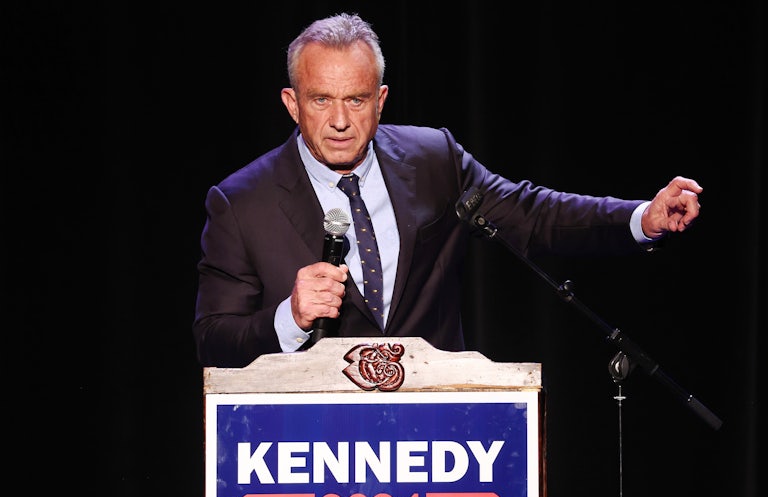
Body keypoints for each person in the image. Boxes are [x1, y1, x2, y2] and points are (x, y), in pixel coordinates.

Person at [193, 12, 702, 368]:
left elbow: (532, 214)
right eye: (321, 100)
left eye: (357, 99)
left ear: (381, 99)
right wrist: (289, 317)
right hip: (312, 438)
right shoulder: (241, 202)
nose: (341, 120)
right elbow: (213, 341)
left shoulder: (432, 159)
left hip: (436, 427)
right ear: (292, 103)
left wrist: (641, 218)